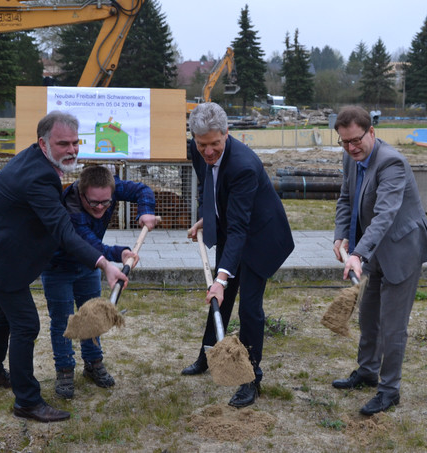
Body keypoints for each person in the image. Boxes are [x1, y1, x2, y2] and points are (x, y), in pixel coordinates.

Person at [0, 111, 128, 423]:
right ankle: (27, 402)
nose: (72, 150)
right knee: (26, 324)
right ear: (43, 143)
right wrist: (104, 263)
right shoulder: (40, 177)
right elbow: (63, 231)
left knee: (5, 313)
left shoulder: (36, 161)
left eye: (75, 143)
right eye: (63, 143)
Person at [182, 102, 294, 408]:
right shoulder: (199, 149)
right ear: (194, 138)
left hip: (261, 237)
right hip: (234, 227)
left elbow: (242, 228)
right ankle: (208, 355)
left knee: (249, 309)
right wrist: (210, 215)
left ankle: (250, 378)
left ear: (227, 134)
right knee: (220, 297)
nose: (207, 152)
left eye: (215, 144)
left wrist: (220, 277)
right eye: (202, 144)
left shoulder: (243, 165)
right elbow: (210, 186)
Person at [331, 105, 427, 415]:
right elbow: (346, 199)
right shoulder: (352, 159)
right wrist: (340, 237)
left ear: (372, 132)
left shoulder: (392, 164)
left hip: (402, 250)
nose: (351, 148)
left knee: (392, 326)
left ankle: (389, 391)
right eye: (344, 142)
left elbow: (385, 214)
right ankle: (366, 372)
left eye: (356, 140)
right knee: (368, 315)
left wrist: (358, 253)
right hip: (373, 251)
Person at [41, 164, 158, 399]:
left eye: (106, 202)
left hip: (89, 267)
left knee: (93, 315)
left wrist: (145, 210)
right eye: (94, 203)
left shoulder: (109, 189)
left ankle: (93, 363)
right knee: (63, 321)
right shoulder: (70, 209)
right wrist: (121, 253)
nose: (101, 207)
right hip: (58, 268)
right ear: (82, 192)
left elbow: (143, 190)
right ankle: (64, 370)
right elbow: (90, 245)